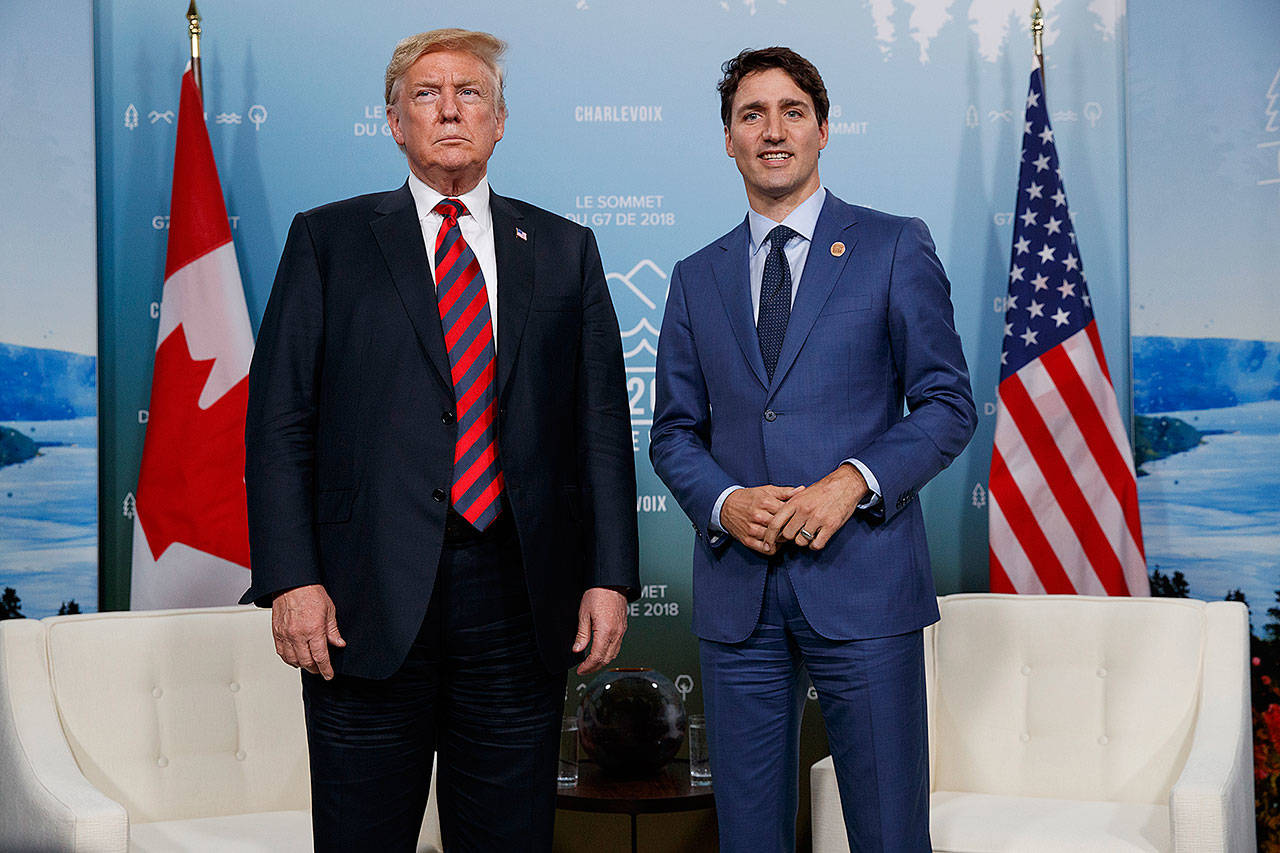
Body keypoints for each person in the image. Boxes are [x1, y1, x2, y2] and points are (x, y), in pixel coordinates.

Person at [242, 28, 639, 852]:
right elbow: (279, 421)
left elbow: (600, 427)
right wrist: (290, 578)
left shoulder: (566, 249)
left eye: (470, 94)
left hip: (518, 600)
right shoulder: (329, 240)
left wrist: (609, 579)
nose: (450, 109)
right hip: (362, 603)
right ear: (393, 122)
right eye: (426, 94)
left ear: (500, 122)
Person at [650, 47, 976, 852]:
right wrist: (725, 501)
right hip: (739, 596)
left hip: (862, 581)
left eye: (792, 111)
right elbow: (672, 432)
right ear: (727, 138)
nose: (773, 130)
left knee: (889, 832)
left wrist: (854, 482)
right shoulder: (695, 276)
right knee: (749, 836)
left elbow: (947, 404)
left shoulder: (895, 245)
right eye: (751, 114)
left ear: (823, 130)